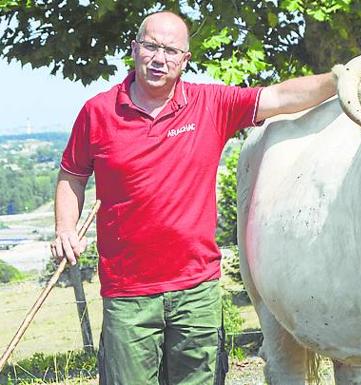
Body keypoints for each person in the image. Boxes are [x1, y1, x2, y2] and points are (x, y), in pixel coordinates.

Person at [50, 10, 337, 385]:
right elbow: (72, 174)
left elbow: (280, 96)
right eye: (151, 46)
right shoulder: (98, 112)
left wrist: (342, 79)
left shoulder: (210, 104)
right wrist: (65, 227)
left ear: (185, 60)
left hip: (196, 290)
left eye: (171, 50)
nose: (159, 58)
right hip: (127, 294)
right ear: (134, 49)